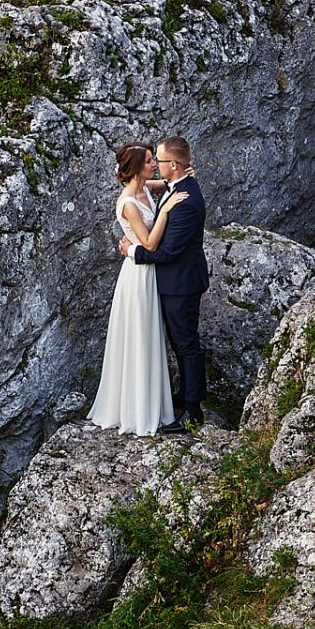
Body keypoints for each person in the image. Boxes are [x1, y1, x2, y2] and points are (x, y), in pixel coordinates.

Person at [120, 135, 211, 434]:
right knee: (179, 343)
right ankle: (185, 396)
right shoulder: (177, 186)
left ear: (172, 164)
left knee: (186, 345)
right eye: (151, 161)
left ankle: (193, 410)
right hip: (172, 282)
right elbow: (147, 186)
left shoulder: (183, 202)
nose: (155, 165)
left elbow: (168, 251)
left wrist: (132, 251)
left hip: (181, 283)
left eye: (158, 160)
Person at [88, 143, 178, 435]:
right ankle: (138, 412)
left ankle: (151, 403)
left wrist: (179, 176)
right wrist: (166, 210)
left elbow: (164, 182)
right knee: (140, 338)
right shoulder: (128, 202)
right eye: (150, 160)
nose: (155, 163)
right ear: (138, 166)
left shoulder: (143, 186)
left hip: (148, 273)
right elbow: (149, 243)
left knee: (150, 337)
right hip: (138, 276)